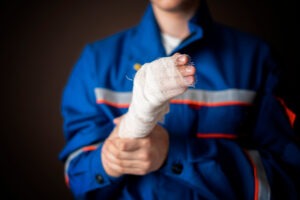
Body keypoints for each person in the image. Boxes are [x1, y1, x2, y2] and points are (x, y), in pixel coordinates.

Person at [58, 0, 300, 199]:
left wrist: (172, 152)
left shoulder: (257, 59)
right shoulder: (95, 61)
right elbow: (75, 175)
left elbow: (285, 180)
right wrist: (106, 163)